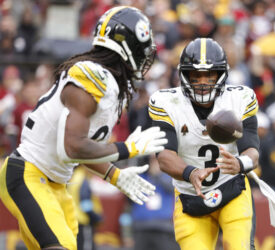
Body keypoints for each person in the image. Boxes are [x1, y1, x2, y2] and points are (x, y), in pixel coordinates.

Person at [0, 6, 168, 250]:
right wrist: (126, 149)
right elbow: (73, 147)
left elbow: (81, 148)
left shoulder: (109, 84)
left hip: (55, 182)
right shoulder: (93, 76)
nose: (145, 57)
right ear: (127, 47)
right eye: (142, 49)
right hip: (28, 173)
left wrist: (115, 175)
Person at [149, 38, 260, 250]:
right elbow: (164, 157)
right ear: (184, 75)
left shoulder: (240, 98)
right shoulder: (167, 104)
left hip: (232, 190)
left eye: (210, 74)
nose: (203, 81)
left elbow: (252, 149)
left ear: (221, 74)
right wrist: (190, 173)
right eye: (196, 75)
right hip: (191, 196)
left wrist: (240, 163)